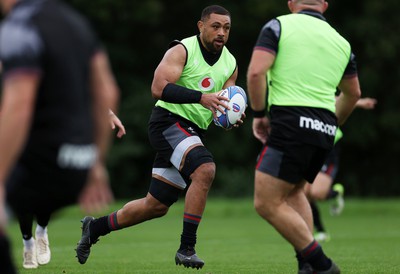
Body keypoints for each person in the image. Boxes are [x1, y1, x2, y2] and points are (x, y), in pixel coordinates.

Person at [75, 5, 240, 270]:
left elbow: (226, 103)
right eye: (216, 26)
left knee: (155, 206)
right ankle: (187, 248)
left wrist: (230, 117)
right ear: (201, 26)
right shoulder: (182, 50)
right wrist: (201, 97)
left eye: (227, 28)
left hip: (192, 132)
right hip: (168, 123)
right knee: (205, 169)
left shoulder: (230, 62)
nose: (222, 33)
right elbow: (158, 88)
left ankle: (94, 228)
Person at [0, 0, 120, 269]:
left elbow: (19, 105)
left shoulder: (19, 26)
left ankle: (30, 237)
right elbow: (107, 92)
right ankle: (30, 239)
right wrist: (97, 165)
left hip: (42, 160)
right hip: (79, 164)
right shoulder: (77, 24)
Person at [246, 0, 361, 273]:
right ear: (325, 4)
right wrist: (333, 123)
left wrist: (260, 113)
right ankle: (306, 266)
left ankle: (322, 265)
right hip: (323, 129)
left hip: (290, 123)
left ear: (291, 3)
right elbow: (353, 94)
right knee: (296, 192)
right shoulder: (341, 41)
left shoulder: (278, 25)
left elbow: (255, 72)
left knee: (266, 202)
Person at [307, 97, 377, 242]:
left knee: (316, 193)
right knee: (304, 193)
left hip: (328, 145)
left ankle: (335, 193)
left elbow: (337, 98)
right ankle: (320, 231)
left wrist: (358, 102)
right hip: (308, 146)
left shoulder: (314, 88)